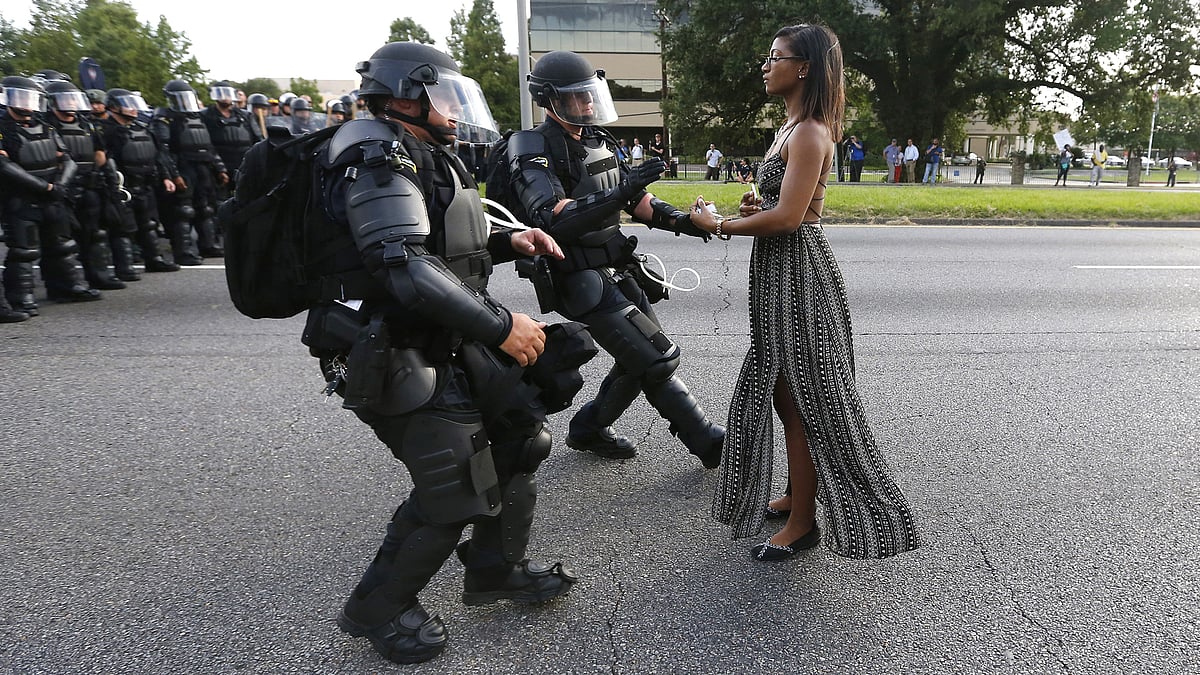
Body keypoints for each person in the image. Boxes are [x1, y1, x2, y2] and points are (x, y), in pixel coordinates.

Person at [305, 41, 582, 665]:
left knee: (520, 437)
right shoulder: (374, 154)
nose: (456, 111)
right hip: (388, 346)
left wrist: (513, 241)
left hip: (436, 334)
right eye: (445, 97)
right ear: (407, 94)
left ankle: (493, 569)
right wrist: (500, 325)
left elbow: (441, 242)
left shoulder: (416, 151)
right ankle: (376, 608)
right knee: (455, 486)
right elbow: (403, 266)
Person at [688, 24, 920, 562]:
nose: (766, 66)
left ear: (804, 68)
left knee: (804, 399)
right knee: (781, 390)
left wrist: (718, 224)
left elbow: (792, 219)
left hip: (799, 275)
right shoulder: (789, 128)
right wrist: (753, 210)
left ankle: (803, 522)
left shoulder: (812, 131)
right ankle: (798, 493)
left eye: (776, 57)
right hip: (777, 273)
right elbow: (780, 208)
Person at [507, 50, 724, 467]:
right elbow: (550, 216)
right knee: (657, 357)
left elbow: (637, 199)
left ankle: (588, 429)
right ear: (549, 99)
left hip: (616, 266)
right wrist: (621, 194)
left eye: (590, 94)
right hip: (577, 275)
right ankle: (707, 441)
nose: (588, 103)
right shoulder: (530, 145)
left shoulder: (597, 139)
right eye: (577, 97)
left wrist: (685, 222)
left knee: (639, 359)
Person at [0, 75, 102, 314]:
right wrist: (44, 187)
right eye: (20, 97)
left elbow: (67, 158)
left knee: (63, 244)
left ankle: (67, 286)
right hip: (21, 197)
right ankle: (20, 297)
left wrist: (59, 186)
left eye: (29, 97)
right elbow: (4, 166)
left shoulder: (46, 126)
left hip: (53, 194)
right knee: (24, 251)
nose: (25, 103)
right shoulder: (3, 129)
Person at [43, 78, 126, 290]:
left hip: (89, 186)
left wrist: (107, 181)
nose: (70, 104)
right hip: (61, 189)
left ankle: (98, 276)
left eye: (72, 99)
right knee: (61, 240)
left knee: (95, 234)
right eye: (65, 99)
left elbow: (100, 154)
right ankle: (62, 285)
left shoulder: (86, 124)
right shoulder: (45, 125)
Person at [98, 88, 181, 275]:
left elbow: (158, 155)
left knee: (149, 224)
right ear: (113, 107)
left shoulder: (143, 128)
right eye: (128, 105)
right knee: (123, 229)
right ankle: (125, 267)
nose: (133, 109)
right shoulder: (106, 131)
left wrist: (166, 176)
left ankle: (155, 260)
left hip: (146, 183)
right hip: (122, 187)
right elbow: (103, 159)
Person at [152, 79, 229, 261]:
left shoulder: (198, 117)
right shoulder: (165, 118)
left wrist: (220, 169)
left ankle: (208, 245)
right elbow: (163, 150)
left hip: (203, 167)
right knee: (183, 211)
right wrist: (174, 175)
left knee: (206, 208)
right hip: (183, 166)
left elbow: (208, 146)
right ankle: (184, 251)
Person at [200, 82, 262, 190]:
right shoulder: (205, 115)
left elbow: (258, 140)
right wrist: (219, 168)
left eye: (227, 93)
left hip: (244, 164)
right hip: (218, 166)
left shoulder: (246, 115)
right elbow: (205, 143)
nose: (225, 97)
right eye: (220, 93)